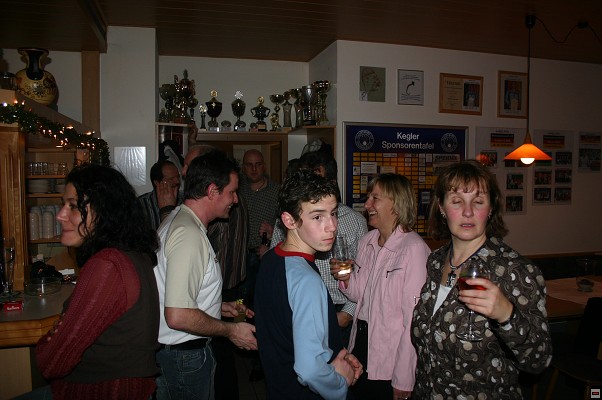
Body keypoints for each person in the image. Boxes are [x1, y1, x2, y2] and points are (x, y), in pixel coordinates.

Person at [411, 161, 553, 398]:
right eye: (457, 201)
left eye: (478, 201)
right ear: (442, 207)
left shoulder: (515, 270)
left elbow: (539, 361)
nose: (468, 212)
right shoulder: (436, 261)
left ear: (491, 208)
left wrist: (507, 316)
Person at [30, 165, 160, 399]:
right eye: (63, 204)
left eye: (73, 205)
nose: (60, 215)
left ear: (104, 210)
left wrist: (50, 340)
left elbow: (52, 363)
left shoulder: (107, 265)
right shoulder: (133, 253)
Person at [154, 149, 257, 400]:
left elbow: (178, 294)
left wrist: (217, 306)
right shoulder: (188, 235)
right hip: (184, 357)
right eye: (232, 192)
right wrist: (231, 330)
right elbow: (178, 316)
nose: (235, 200)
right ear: (212, 191)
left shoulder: (182, 220)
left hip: (181, 354)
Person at [255, 169, 363, 399]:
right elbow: (310, 369)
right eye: (317, 217)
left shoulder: (273, 258)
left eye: (333, 213)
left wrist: (338, 356)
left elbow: (288, 337)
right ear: (289, 220)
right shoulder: (306, 280)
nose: (332, 226)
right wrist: (340, 383)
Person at [332, 173, 430, 400]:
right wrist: (345, 277)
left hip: (391, 354)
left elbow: (413, 322)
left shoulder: (414, 249)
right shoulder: (367, 241)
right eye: (368, 198)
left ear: (396, 203)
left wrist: (404, 377)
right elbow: (358, 294)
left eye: (375, 198)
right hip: (361, 341)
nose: (367, 205)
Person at [271, 150, 367, 346]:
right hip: (298, 308)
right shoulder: (291, 218)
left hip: (340, 309)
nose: (330, 226)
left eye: (315, 180)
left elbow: (365, 273)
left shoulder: (355, 221)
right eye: (304, 179)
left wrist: (347, 313)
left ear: (331, 183)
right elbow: (277, 263)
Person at [138, 159, 181, 230]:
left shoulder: (185, 200)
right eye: (171, 179)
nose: (177, 181)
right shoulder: (141, 205)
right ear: (157, 183)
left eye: (178, 177)